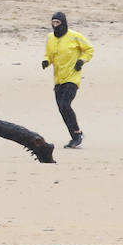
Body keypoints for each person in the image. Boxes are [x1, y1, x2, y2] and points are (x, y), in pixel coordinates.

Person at [42, 10, 94, 149]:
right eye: (53, 22)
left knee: (65, 105)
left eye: (58, 22)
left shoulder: (75, 36)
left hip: (72, 77)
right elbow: (49, 55)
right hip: (58, 79)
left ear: (63, 23)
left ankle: (77, 134)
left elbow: (89, 49)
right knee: (61, 108)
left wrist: (81, 61)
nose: (55, 25)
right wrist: (46, 61)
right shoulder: (50, 38)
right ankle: (75, 137)